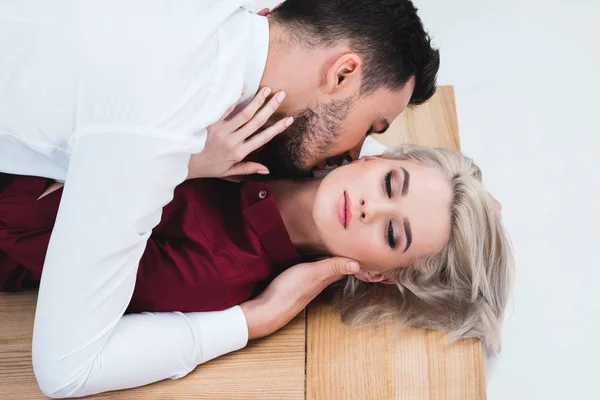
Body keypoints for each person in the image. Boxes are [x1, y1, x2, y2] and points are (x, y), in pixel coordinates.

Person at [0, 0, 439, 397]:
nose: (354, 153)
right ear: (342, 73)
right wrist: (255, 319)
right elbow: (66, 371)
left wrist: (447, 192)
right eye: (371, 129)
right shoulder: (157, 137)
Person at [1, 127, 514, 361]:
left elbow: (19, 220)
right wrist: (462, 190)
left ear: (376, 272)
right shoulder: (290, 126)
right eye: (390, 184)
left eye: (392, 233)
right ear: (371, 158)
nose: (369, 207)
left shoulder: (218, 271)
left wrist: (172, 161)